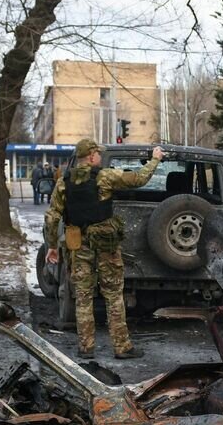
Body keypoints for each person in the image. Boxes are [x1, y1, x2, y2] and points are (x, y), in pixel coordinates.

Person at [44, 139, 165, 360]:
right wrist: (155, 160)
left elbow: (52, 217)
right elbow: (138, 179)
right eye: (98, 154)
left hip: (78, 245)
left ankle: (86, 347)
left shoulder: (64, 182)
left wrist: (52, 246)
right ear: (91, 156)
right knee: (113, 295)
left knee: (82, 296)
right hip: (106, 245)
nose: (100, 157)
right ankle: (122, 347)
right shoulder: (104, 176)